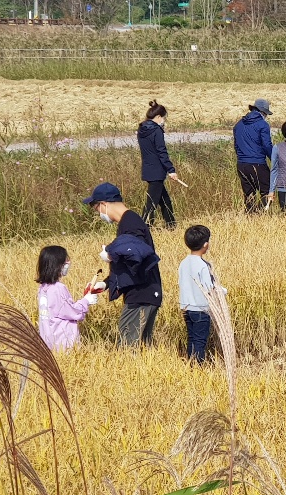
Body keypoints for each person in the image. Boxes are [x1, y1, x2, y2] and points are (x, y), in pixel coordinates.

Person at [87, 183, 163, 347]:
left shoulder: (130, 223)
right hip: (145, 292)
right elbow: (129, 264)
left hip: (141, 294)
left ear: (104, 204)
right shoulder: (129, 221)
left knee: (127, 346)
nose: (99, 214)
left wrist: (110, 253)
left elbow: (136, 254)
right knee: (142, 346)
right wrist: (106, 283)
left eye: (97, 209)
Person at [35, 245, 101, 351]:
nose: (68, 264)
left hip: (47, 340)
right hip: (62, 341)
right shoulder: (58, 288)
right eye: (65, 261)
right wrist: (86, 300)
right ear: (57, 265)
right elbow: (71, 312)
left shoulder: (43, 288)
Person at [178, 225, 221, 364]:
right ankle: (198, 366)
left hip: (186, 307)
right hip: (201, 309)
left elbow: (181, 282)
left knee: (191, 338)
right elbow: (209, 287)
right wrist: (222, 291)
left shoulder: (183, 263)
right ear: (205, 245)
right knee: (200, 340)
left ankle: (191, 365)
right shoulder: (202, 265)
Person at [138, 100, 179, 229]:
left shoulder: (142, 129)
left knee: (165, 200)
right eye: (164, 118)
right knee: (151, 203)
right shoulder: (156, 131)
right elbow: (162, 151)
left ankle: (171, 225)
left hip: (148, 169)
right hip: (157, 171)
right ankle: (144, 227)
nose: (164, 121)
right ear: (158, 117)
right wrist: (171, 170)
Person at [233, 99, 273, 213]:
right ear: (263, 112)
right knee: (267, 191)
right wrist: (274, 159)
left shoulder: (238, 124)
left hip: (241, 164)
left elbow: (236, 146)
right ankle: (261, 214)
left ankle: (250, 215)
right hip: (258, 163)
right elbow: (267, 145)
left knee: (249, 193)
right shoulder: (263, 125)